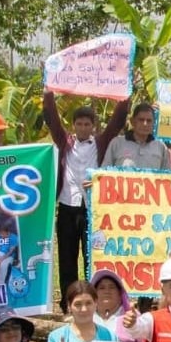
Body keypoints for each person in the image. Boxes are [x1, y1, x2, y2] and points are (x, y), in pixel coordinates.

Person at [43, 93, 127, 290]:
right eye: (79, 124)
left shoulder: (101, 142)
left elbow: (117, 121)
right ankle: (67, 301)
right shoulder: (65, 142)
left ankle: (94, 297)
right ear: (73, 125)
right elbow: (52, 119)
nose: (83, 128)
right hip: (67, 206)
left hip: (92, 209)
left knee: (93, 255)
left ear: (93, 126)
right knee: (67, 257)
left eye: (87, 124)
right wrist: (47, 93)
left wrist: (125, 93)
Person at [105, 103, 171, 170]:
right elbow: (104, 172)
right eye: (141, 120)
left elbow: (166, 177)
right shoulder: (117, 144)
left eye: (149, 121)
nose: (145, 124)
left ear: (154, 123)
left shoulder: (160, 147)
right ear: (132, 121)